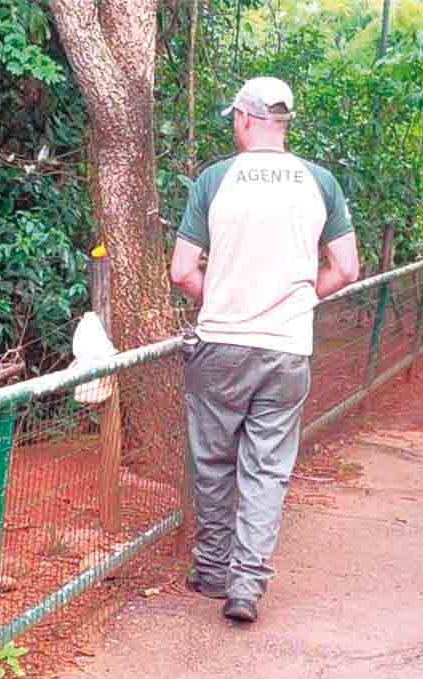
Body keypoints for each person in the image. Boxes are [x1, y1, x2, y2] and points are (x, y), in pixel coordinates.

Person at [171, 76, 360, 624]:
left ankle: (211, 570)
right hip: (286, 349)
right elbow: (346, 268)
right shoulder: (320, 182)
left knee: (213, 462)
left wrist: (222, 298)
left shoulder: (215, 180)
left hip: (221, 346)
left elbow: (182, 271)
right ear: (283, 123)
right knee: (267, 469)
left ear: (245, 119)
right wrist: (298, 301)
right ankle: (246, 585)